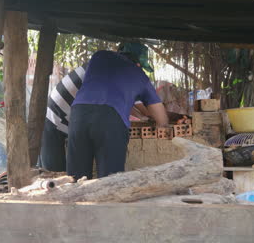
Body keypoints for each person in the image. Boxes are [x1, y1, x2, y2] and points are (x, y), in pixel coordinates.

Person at [67, 42, 169, 180]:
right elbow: (160, 116)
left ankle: (73, 199)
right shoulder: (140, 76)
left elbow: (107, 91)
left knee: (77, 176)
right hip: (110, 121)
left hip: (78, 114)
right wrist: (162, 124)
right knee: (110, 178)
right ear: (138, 62)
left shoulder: (99, 56)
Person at [38, 64, 151, 171]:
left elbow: (128, 102)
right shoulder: (113, 71)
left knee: (69, 176)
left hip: (65, 118)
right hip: (53, 119)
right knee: (53, 175)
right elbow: (145, 108)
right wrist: (150, 115)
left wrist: (142, 116)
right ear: (135, 64)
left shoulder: (103, 65)